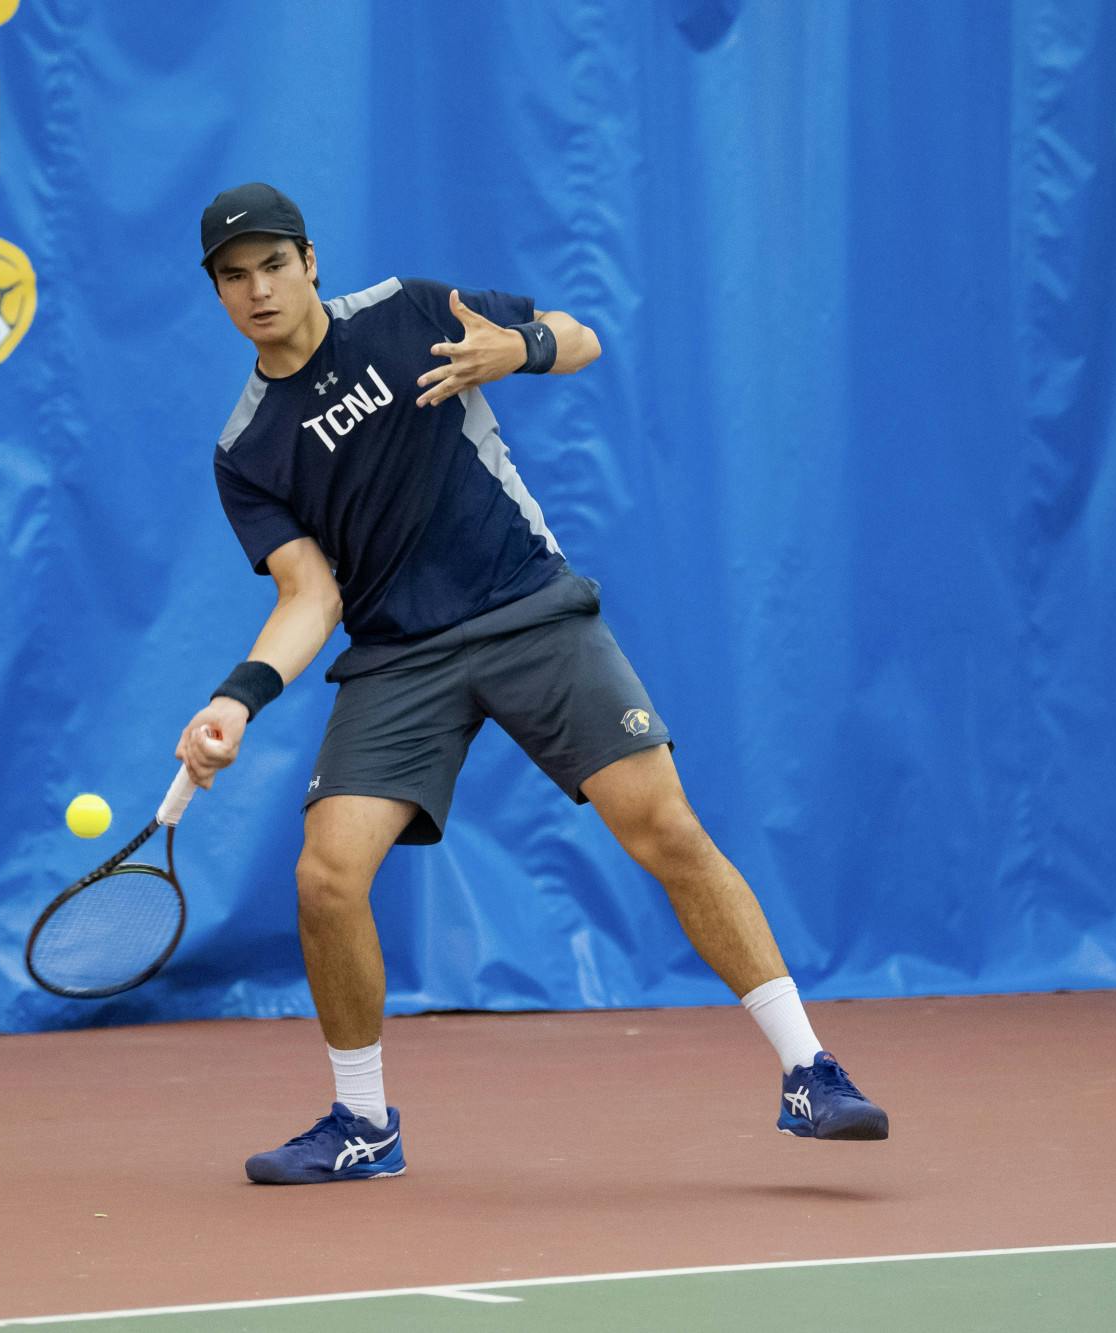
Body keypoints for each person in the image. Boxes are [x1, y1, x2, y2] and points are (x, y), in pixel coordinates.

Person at [176, 182, 888, 1185]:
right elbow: (308, 593)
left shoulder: (410, 312)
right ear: (215, 294)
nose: (258, 289)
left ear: (309, 263)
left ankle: (808, 1069)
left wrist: (524, 349)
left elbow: (576, 331)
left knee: (663, 827)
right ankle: (362, 1122)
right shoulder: (246, 448)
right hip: (397, 657)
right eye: (234, 276)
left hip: (527, 610)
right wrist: (234, 698)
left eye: (273, 265)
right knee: (324, 876)